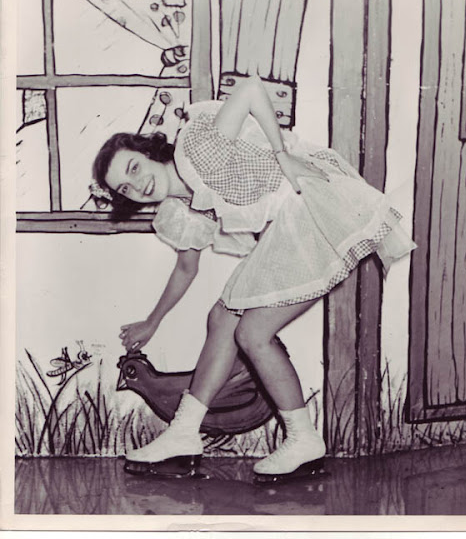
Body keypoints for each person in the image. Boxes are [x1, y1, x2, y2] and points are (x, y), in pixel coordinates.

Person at [92, 75, 416, 479]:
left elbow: (249, 89)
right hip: (287, 228)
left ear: (149, 152)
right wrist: (152, 321)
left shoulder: (197, 147)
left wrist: (282, 155)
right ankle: (184, 433)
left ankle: (303, 439)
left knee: (252, 333)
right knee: (222, 318)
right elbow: (186, 268)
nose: (138, 185)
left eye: (134, 168)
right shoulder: (180, 208)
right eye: (125, 188)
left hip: (309, 210)